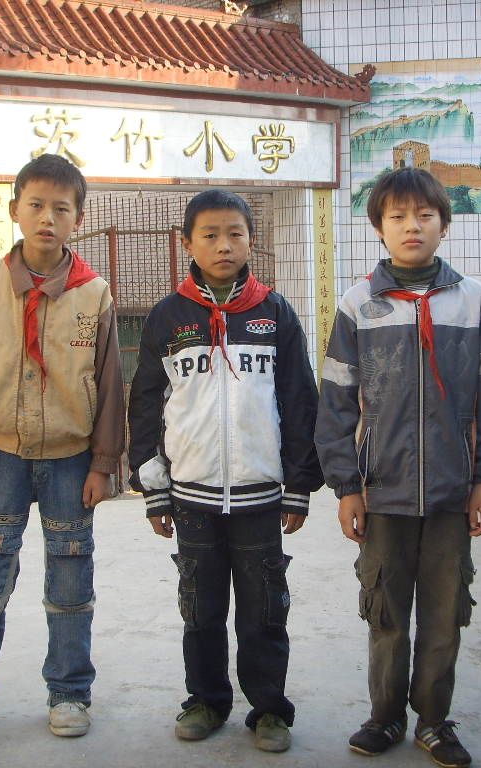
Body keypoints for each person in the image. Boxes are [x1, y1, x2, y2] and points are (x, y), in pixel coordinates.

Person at [0, 154, 125, 737]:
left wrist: (103, 463)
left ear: (79, 219)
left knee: (70, 580)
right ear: (14, 210)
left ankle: (70, 693)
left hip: (70, 459)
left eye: (61, 208)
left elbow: (110, 383)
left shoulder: (94, 294)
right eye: (35, 205)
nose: (47, 218)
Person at [315, 167, 481, 767]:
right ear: (379, 227)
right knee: (386, 610)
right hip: (383, 492)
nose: (412, 226)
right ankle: (385, 716)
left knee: (445, 614)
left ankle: (433, 720)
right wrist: (347, 486)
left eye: (425, 215)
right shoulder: (359, 304)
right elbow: (336, 402)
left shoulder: (473, 301)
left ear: (444, 224)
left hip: (452, 491)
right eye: (397, 217)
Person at [127, 189, 323, 753]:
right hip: (191, 496)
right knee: (201, 608)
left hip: (261, 496)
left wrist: (298, 485)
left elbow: (299, 399)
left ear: (251, 241)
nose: (223, 245)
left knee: (264, 611)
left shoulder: (275, 313)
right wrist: (154, 488)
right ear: (188, 243)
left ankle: (270, 709)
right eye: (209, 235)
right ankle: (206, 700)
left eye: (235, 233)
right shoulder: (168, 316)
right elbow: (146, 403)